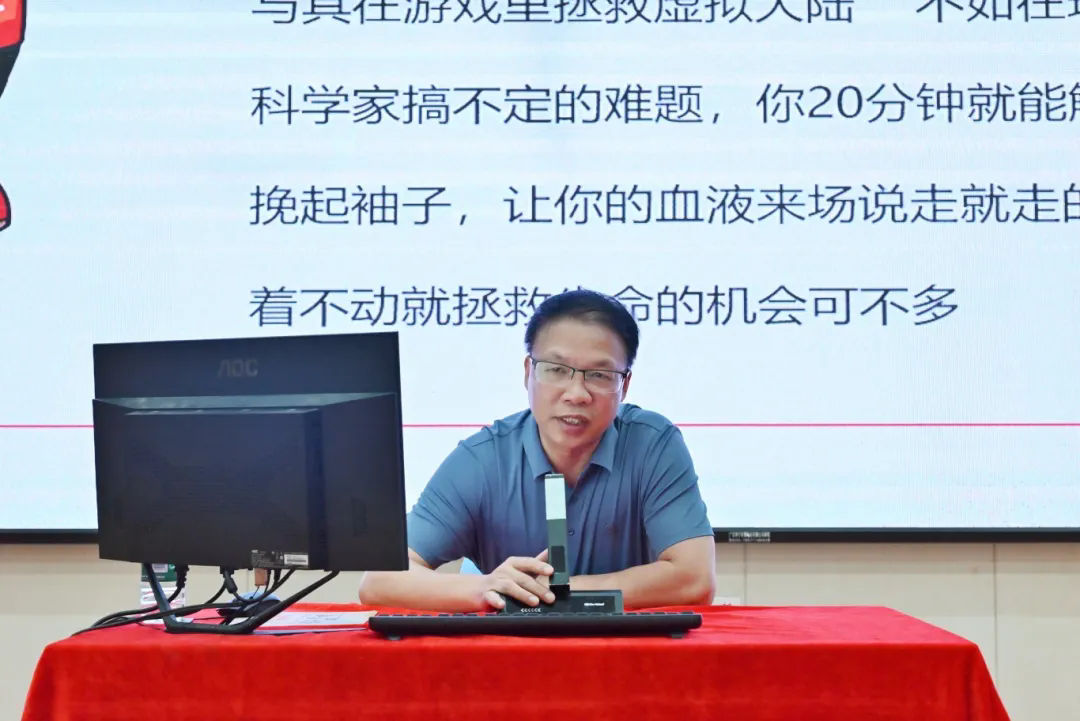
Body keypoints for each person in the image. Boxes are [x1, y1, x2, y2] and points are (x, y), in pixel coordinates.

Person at [357, 289, 716, 612]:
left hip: (626, 655)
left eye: (599, 375)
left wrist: (553, 591)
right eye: (556, 369)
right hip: (508, 656)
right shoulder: (482, 460)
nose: (576, 394)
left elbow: (694, 579)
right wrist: (485, 587)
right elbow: (379, 581)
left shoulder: (652, 445)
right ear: (528, 372)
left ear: (625, 385)